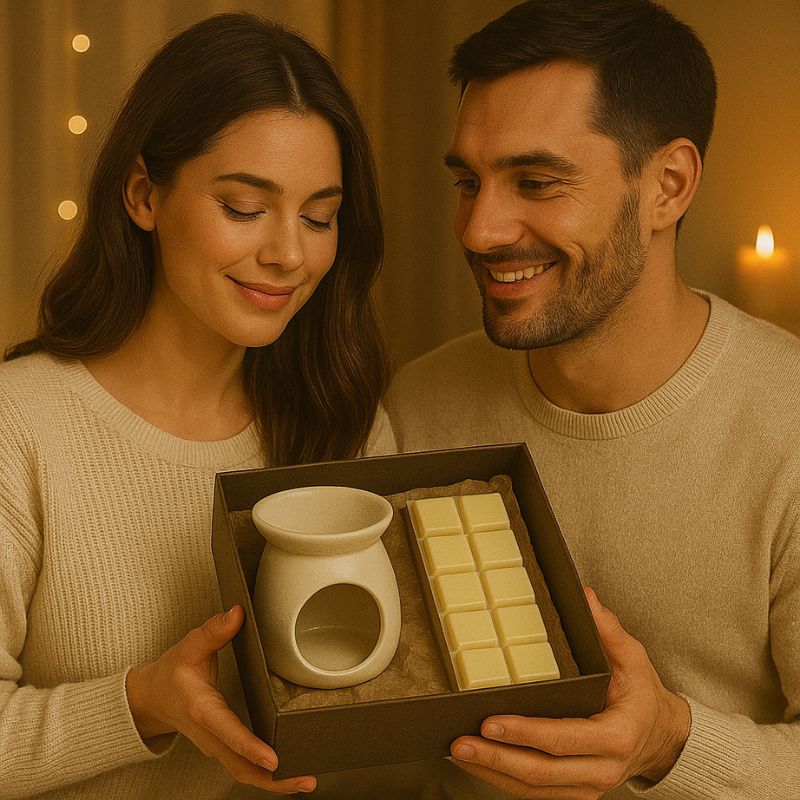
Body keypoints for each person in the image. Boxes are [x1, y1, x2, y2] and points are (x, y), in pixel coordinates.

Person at [385, 1, 800, 798]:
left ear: (667, 187)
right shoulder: (417, 406)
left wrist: (671, 740)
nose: (479, 230)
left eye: (536, 182)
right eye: (468, 182)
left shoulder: (784, 429)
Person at [0, 13, 397, 799]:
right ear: (144, 195)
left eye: (319, 217)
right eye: (245, 207)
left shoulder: (345, 424)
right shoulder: (23, 425)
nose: (290, 253)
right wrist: (143, 705)